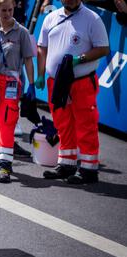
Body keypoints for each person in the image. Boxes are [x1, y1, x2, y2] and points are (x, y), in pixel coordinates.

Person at [35, 0, 109, 184]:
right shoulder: (51, 17)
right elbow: (42, 47)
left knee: (86, 125)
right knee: (62, 123)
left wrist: (80, 59)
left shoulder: (92, 19)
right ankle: (66, 163)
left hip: (81, 82)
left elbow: (103, 48)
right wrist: (41, 73)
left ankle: (88, 169)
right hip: (57, 82)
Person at [0, 0, 35, 183]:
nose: (8, 14)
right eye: (4, 10)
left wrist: (31, 85)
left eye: (10, 10)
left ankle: (5, 165)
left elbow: (28, 60)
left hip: (11, 83)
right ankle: (0, 157)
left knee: (7, 121)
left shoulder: (22, 32)